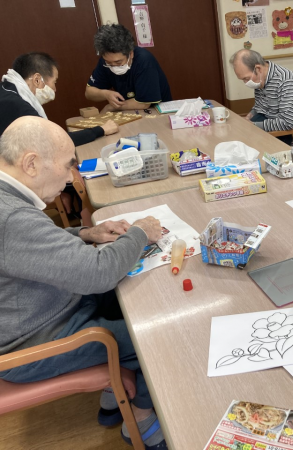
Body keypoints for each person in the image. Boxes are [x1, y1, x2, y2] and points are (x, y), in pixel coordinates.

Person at [0, 117, 167, 449]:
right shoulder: (12, 217)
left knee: (128, 298)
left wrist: (86, 233)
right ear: (31, 163)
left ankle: (114, 395)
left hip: (43, 312)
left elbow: (28, 247)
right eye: (67, 166)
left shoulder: (9, 200)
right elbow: (98, 274)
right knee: (156, 334)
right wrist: (139, 232)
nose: (70, 177)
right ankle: (142, 418)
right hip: (34, 342)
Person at [0, 52, 118, 146]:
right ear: (37, 80)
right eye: (54, 82)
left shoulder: (6, 89)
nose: (55, 89)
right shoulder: (17, 105)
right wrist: (101, 130)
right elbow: (54, 142)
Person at [85, 24, 172, 112]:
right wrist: (105, 94)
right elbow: (89, 93)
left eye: (118, 62)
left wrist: (111, 107)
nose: (113, 66)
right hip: (128, 110)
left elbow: (144, 103)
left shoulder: (144, 60)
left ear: (131, 54)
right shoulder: (106, 61)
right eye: (109, 63)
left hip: (156, 111)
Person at [230, 49, 293, 146]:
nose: (246, 83)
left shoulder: (285, 79)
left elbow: (288, 122)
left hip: (279, 132)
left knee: (241, 143)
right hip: (264, 121)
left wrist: (254, 125)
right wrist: (249, 116)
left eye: (246, 78)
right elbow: (259, 106)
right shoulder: (260, 77)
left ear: (258, 69)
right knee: (235, 132)